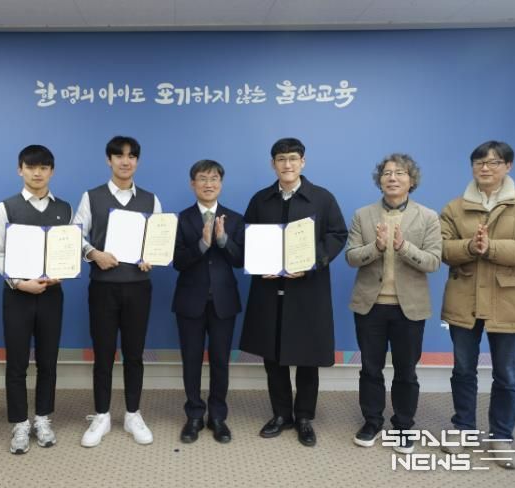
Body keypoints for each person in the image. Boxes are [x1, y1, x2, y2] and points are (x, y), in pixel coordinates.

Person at [439, 140, 515, 469]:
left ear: (508, 166)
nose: (485, 168)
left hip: (508, 300)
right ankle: (464, 430)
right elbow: (442, 248)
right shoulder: (454, 207)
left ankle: (501, 436)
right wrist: (470, 247)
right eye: (479, 162)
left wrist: (492, 247)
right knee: (463, 370)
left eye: (494, 162)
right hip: (464, 299)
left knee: (506, 375)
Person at [240, 137, 347, 447]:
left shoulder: (322, 198)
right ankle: (281, 415)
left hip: (307, 290)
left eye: (292, 159)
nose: (287, 164)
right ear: (273, 164)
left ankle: (304, 418)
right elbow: (249, 238)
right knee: (273, 358)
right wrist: (259, 263)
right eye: (281, 159)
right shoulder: (260, 200)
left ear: (303, 162)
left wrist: (312, 262)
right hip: (269, 290)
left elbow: (337, 234)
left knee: (307, 358)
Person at [345, 154, 441, 453]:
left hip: (409, 308)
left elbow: (433, 262)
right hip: (370, 305)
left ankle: (403, 425)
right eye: (387, 173)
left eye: (400, 173)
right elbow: (351, 257)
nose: (392, 178)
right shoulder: (363, 215)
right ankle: (372, 421)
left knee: (406, 371)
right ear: (380, 180)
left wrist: (403, 247)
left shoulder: (428, 217)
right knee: (370, 369)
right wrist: (377, 247)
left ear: (411, 180)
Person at [72, 135, 162, 447]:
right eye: (119, 156)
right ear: (108, 160)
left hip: (138, 288)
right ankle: (102, 415)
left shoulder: (151, 200)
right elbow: (75, 234)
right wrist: (94, 254)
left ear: (137, 161)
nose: (126, 161)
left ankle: (133, 414)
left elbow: (158, 240)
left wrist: (152, 256)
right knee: (103, 353)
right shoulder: (91, 197)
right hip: (104, 288)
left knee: (134, 354)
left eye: (131, 156)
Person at [0, 145, 72, 454]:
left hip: (52, 294)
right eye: (31, 167)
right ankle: (20, 423)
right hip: (17, 295)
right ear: (20, 169)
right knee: (17, 362)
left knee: (48, 360)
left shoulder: (64, 208)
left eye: (44, 167)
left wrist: (63, 272)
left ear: (52, 171)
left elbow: (69, 248)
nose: (37, 173)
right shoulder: (5, 208)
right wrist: (19, 283)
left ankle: (43, 418)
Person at [172, 159, 245, 444]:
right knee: (191, 360)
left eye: (214, 178)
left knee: (220, 361)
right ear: (193, 184)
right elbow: (177, 262)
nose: (208, 184)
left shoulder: (234, 219)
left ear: (221, 184)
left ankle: (217, 416)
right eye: (202, 178)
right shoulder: (181, 219)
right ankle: (194, 415)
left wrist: (223, 240)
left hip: (224, 302)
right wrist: (202, 244)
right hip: (190, 300)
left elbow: (240, 260)